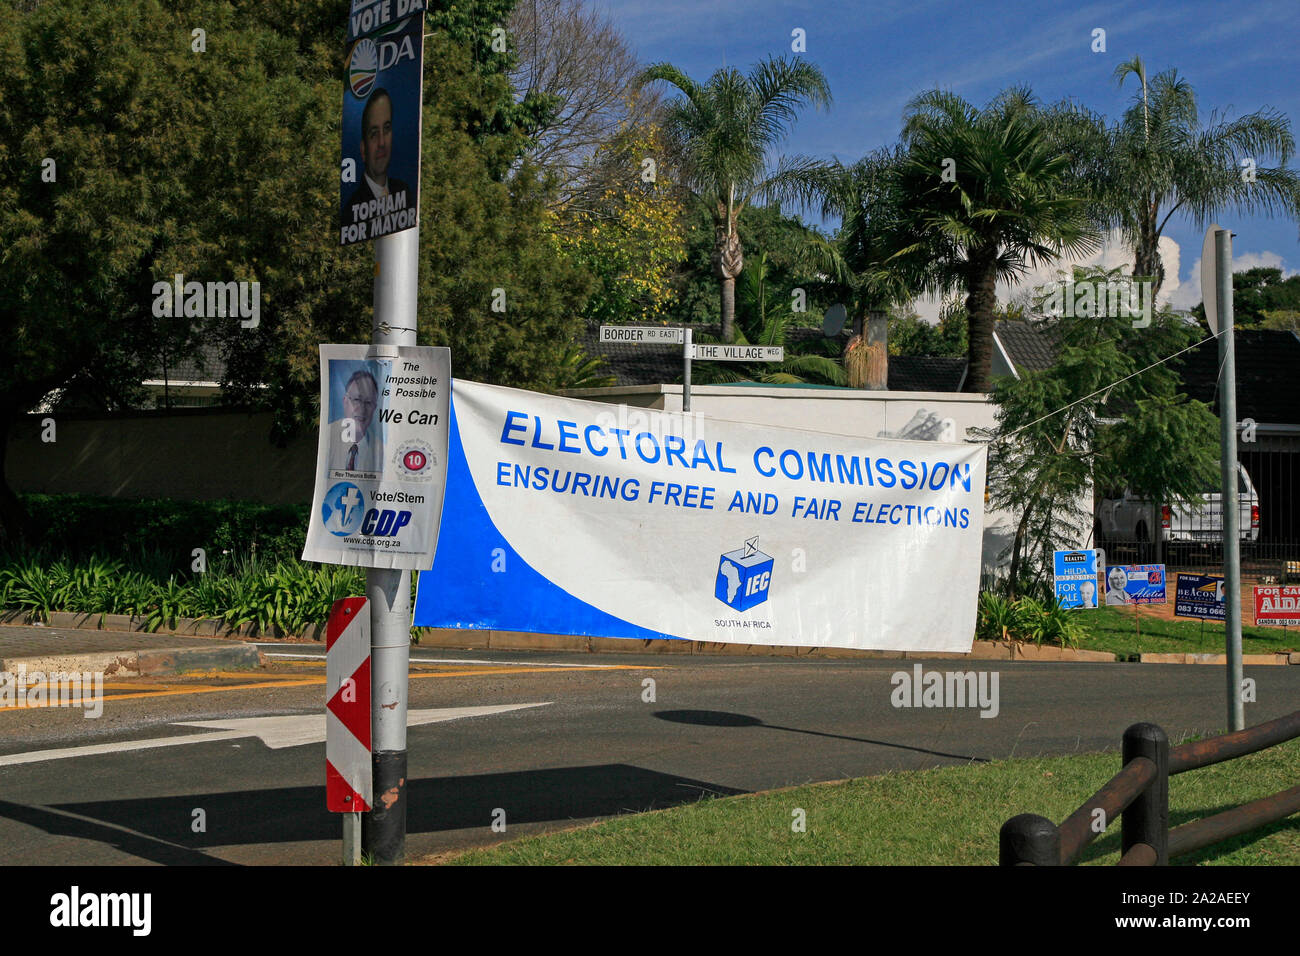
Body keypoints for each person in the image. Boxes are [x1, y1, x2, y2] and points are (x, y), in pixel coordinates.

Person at [346, 88, 409, 221]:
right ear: (363, 149)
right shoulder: (352, 211)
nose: (382, 143)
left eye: (386, 129)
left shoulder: (404, 192)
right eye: (374, 134)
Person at [330, 369, 384, 474]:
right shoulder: (326, 438)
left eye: (368, 402)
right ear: (345, 401)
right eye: (357, 400)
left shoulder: (381, 451)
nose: (362, 408)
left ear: (374, 408)